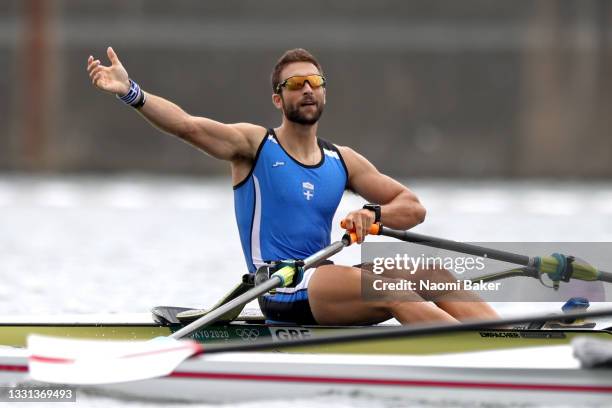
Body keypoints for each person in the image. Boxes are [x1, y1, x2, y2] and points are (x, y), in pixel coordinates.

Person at [87, 47, 499, 325]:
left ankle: (511, 340)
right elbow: (188, 127)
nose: (306, 89)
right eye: (295, 84)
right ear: (276, 99)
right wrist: (131, 93)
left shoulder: (342, 160)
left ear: (324, 93)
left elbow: (412, 207)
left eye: (314, 82)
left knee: (428, 271)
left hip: (325, 279)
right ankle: (472, 351)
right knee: (389, 286)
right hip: (281, 288)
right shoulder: (254, 146)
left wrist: (371, 215)